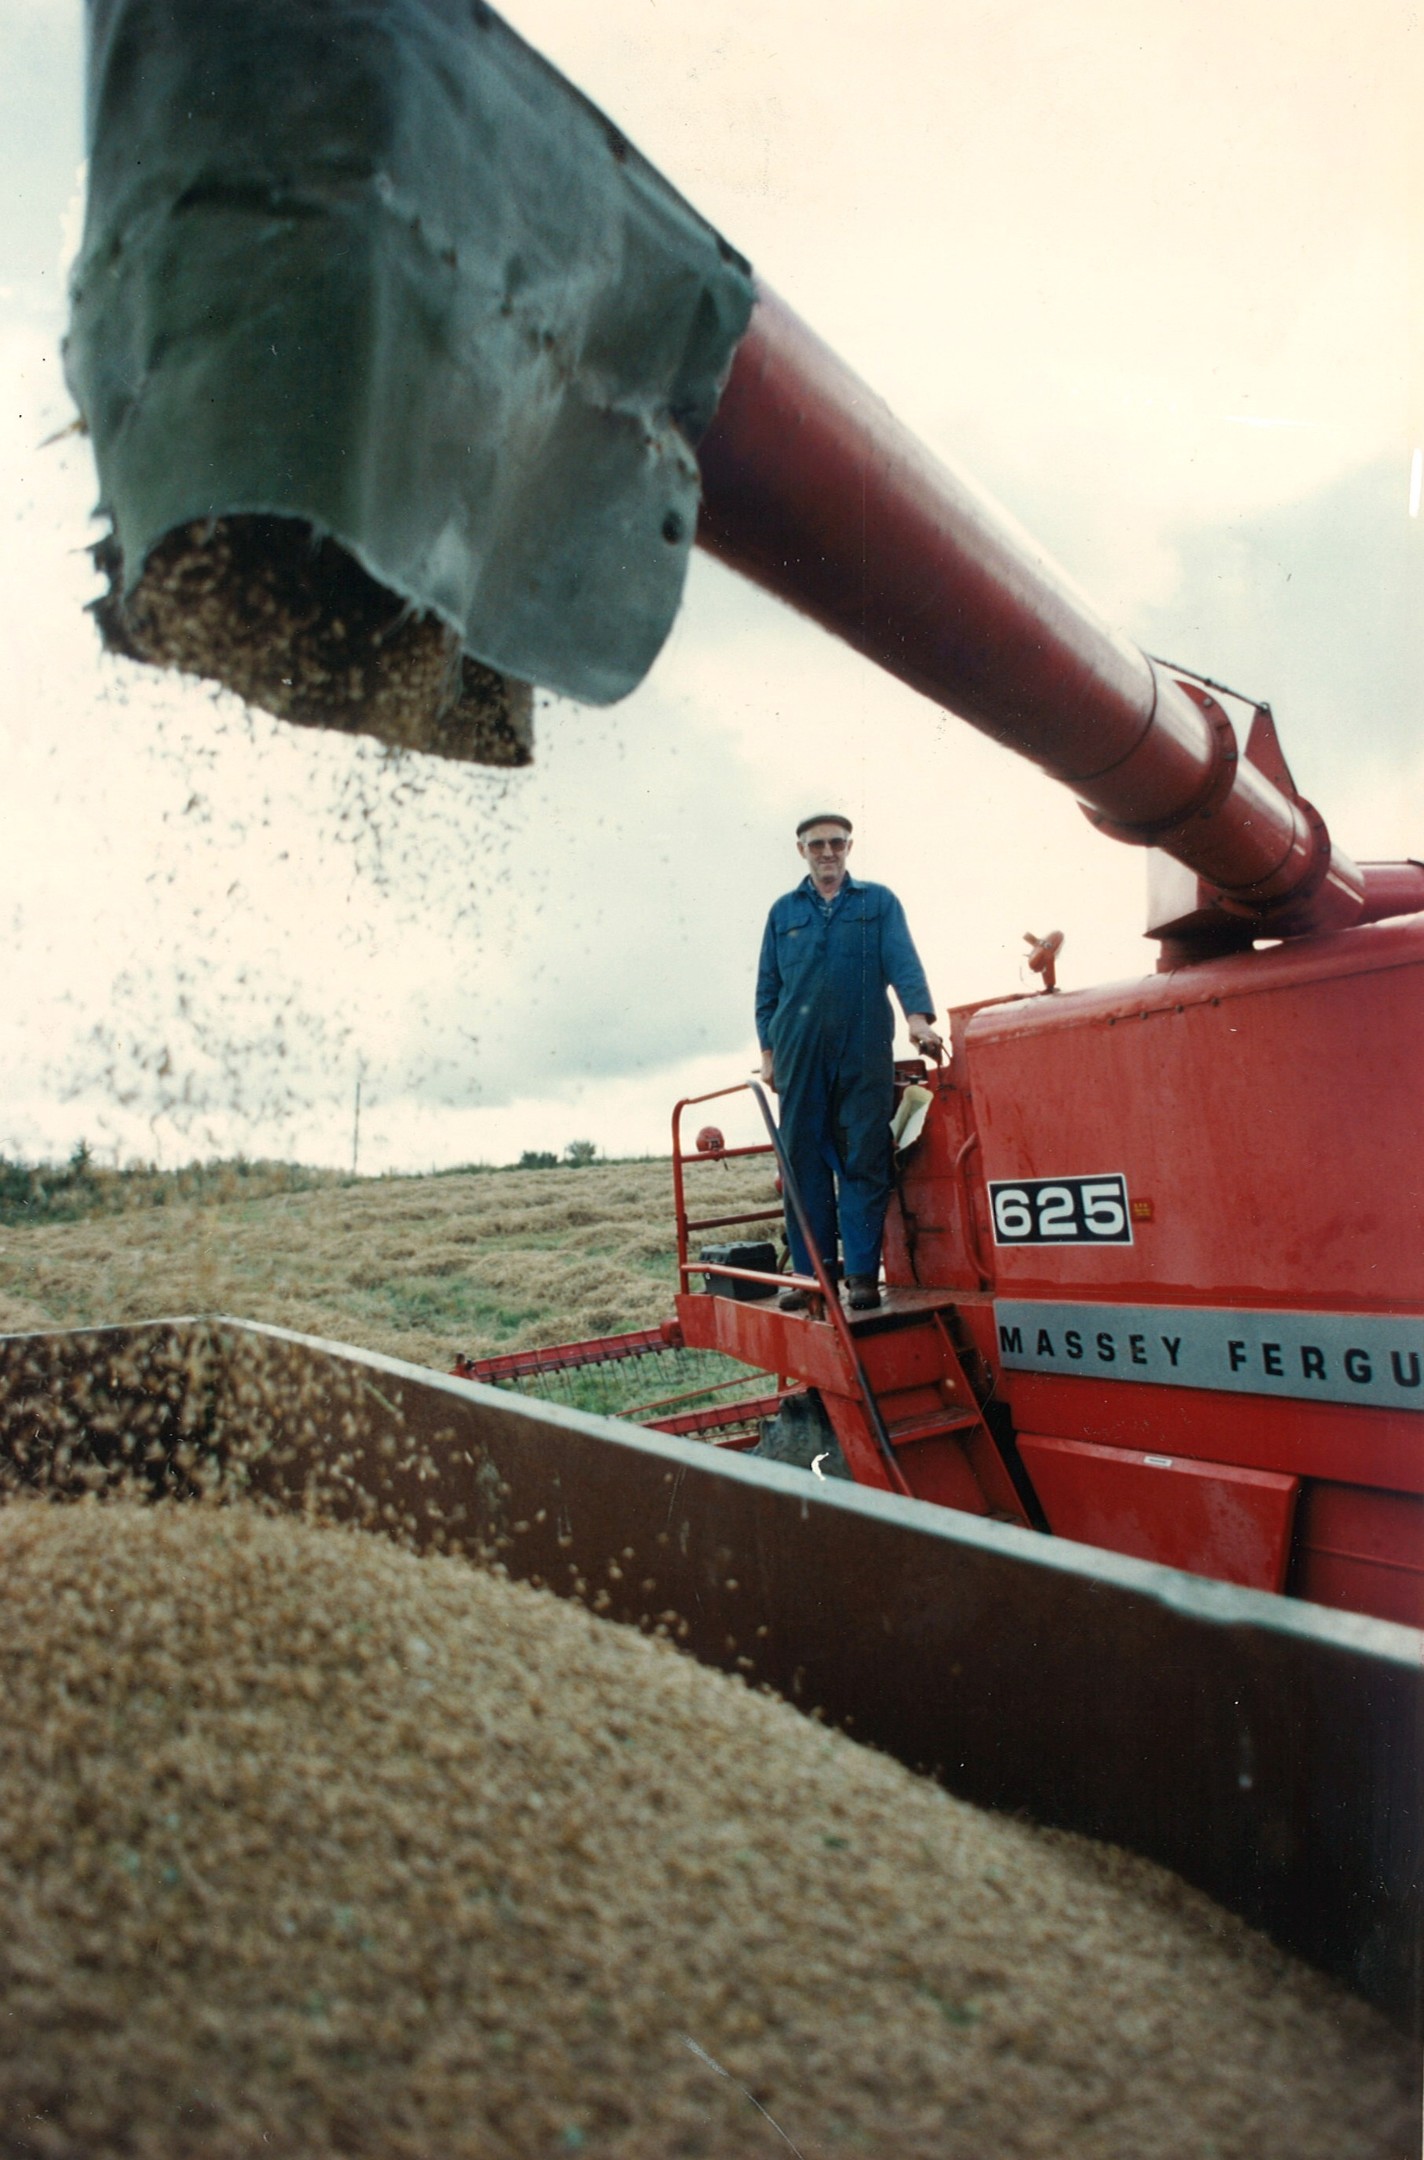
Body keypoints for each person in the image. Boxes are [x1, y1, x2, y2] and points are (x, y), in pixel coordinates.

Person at [755, 814, 943, 1312]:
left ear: (849, 846)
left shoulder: (877, 903)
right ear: (801, 852)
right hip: (798, 1051)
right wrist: (768, 1054)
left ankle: (860, 1274)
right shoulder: (782, 913)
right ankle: (810, 1275)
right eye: (816, 845)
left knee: (864, 1158)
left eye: (836, 843)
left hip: (863, 1049)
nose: (827, 852)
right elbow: (768, 989)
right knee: (802, 1163)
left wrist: (918, 1020)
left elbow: (903, 963)